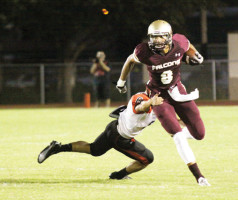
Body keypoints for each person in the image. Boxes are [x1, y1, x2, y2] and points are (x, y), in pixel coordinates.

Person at [115, 20, 210, 186]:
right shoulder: (144, 51)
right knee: (178, 135)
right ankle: (199, 176)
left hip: (177, 89)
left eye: (161, 37)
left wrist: (196, 56)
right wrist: (121, 82)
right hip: (158, 95)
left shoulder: (179, 42)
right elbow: (130, 60)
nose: (157, 41)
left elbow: (189, 50)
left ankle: (176, 132)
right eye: (154, 37)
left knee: (200, 134)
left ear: (169, 36)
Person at [37, 92, 164, 180]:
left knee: (94, 150)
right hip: (120, 137)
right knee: (148, 158)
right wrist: (151, 102)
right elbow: (141, 106)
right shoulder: (142, 98)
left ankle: (58, 147)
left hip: (114, 128)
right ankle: (118, 175)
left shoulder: (162, 106)